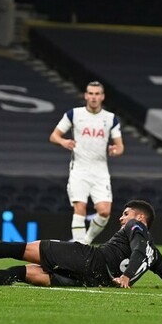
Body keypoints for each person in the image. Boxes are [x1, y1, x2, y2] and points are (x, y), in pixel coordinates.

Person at [0, 199, 162, 290]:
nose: (121, 218)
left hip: (90, 259)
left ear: (140, 219)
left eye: (126, 214)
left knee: (19, 249)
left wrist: (127, 276)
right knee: (22, 273)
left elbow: (137, 249)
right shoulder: (155, 254)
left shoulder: (135, 227)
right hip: (94, 281)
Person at [50, 81, 124, 244]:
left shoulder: (110, 119)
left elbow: (120, 146)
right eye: (90, 93)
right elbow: (54, 136)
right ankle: (78, 247)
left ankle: (86, 241)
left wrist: (115, 150)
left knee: (104, 212)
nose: (93, 97)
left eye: (97, 94)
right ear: (85, 96)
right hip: (79, 169)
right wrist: (63, 141)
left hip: (100, 171)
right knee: (80, 208)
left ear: (102, 97)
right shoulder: (74, 114)